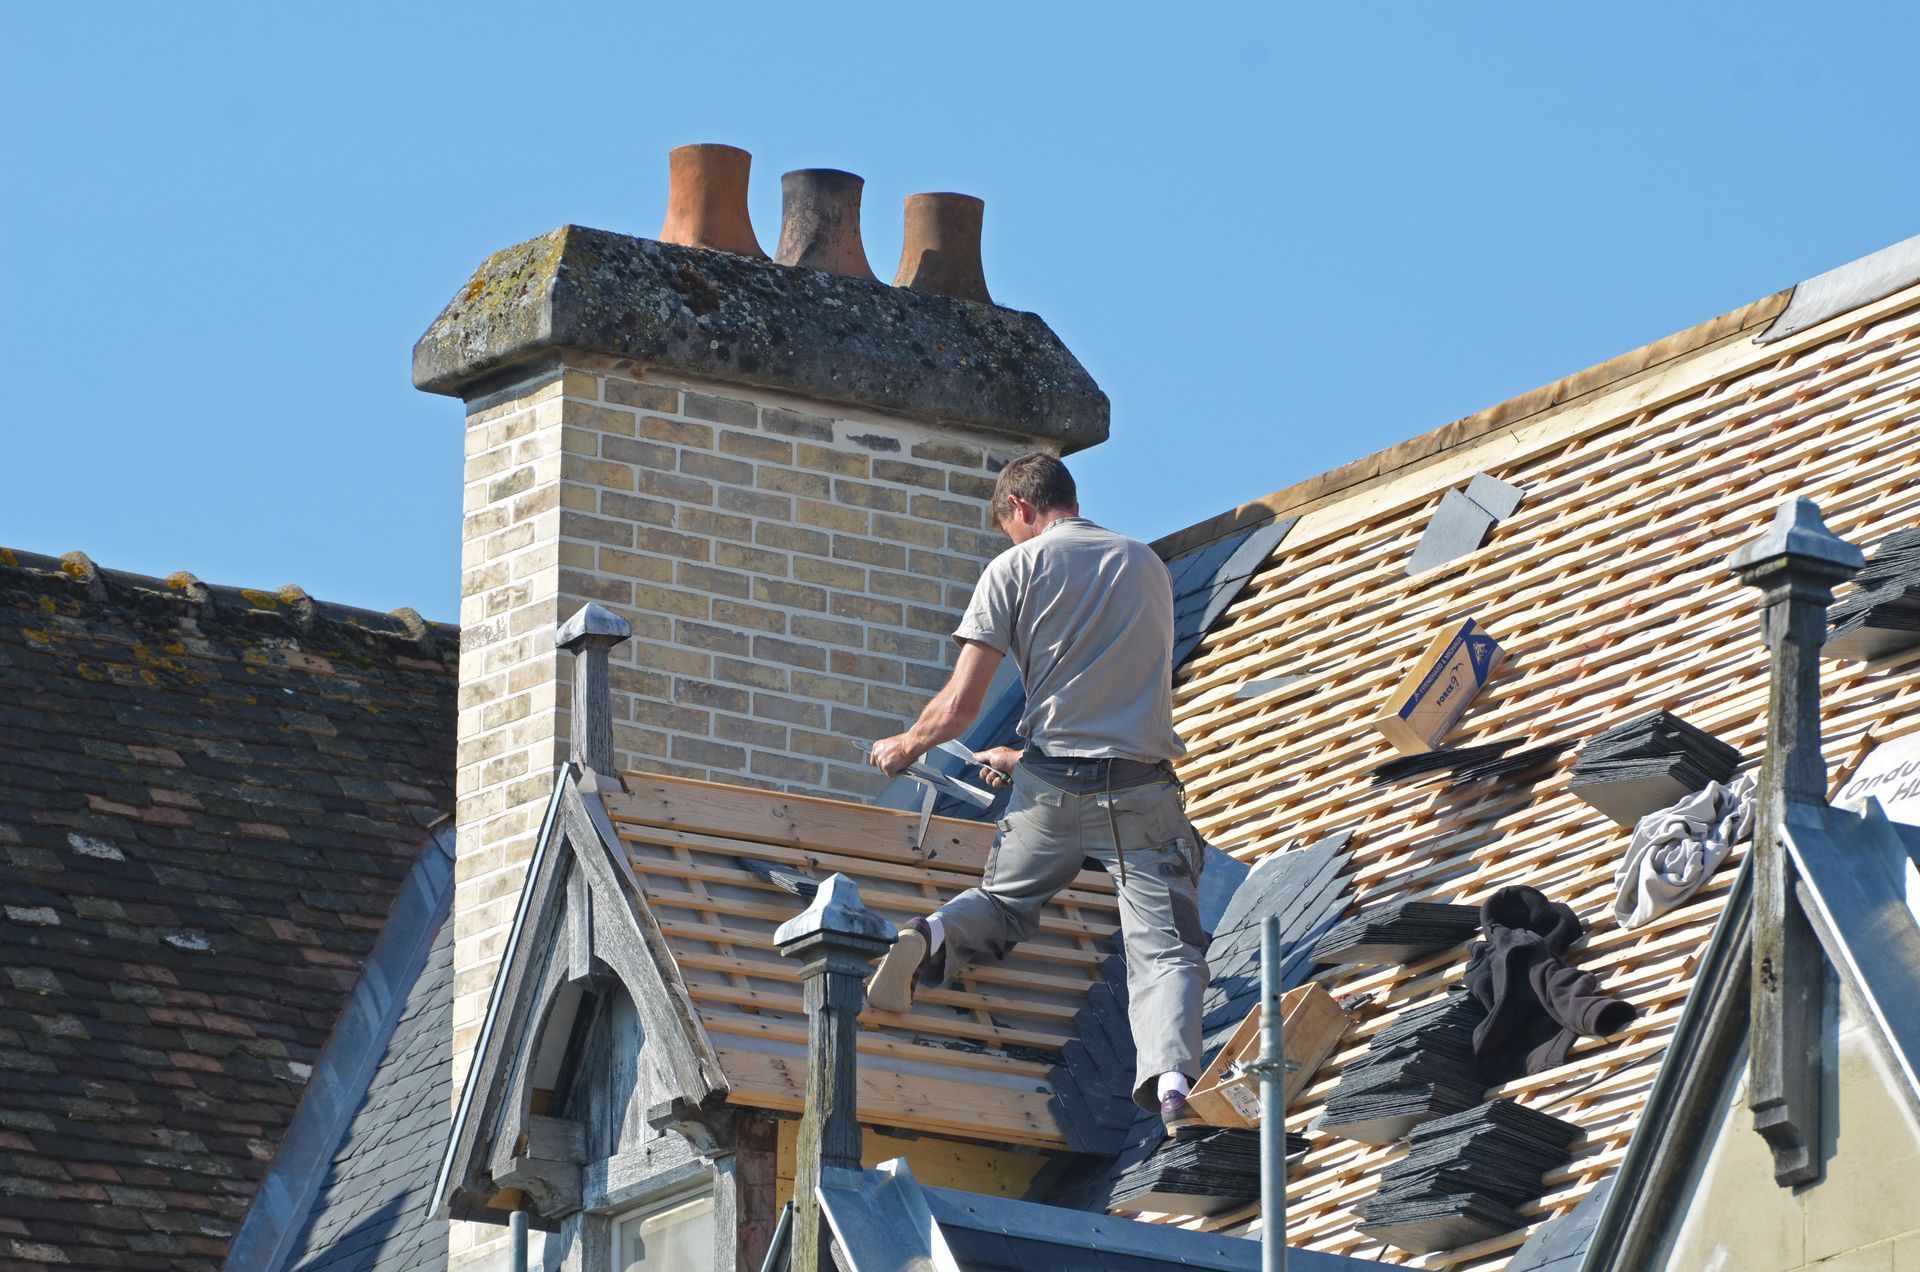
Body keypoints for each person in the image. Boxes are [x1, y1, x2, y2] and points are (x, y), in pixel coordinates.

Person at [865, 453, 1211, 1137]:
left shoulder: (1012, 571)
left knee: (1005, 900)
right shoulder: (1146, 565)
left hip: (1052, 788)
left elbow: (961, 707)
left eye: (1009, 528)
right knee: (1166, 950)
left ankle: (928, 936)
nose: (1013, 541)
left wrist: (903, 746)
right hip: (1139, 793)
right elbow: (1118, 701)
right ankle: (1173, 1084)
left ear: (1020, 509)